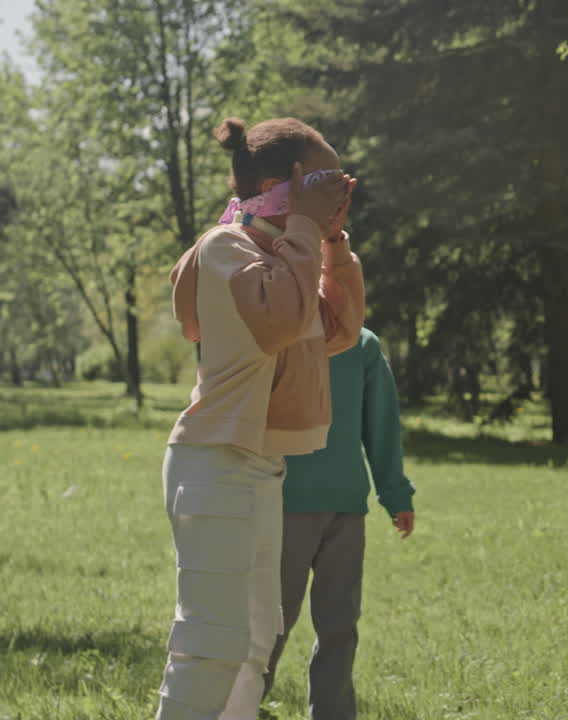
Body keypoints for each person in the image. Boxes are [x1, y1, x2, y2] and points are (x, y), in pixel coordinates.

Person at [158, 116, 366, 720]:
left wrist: (331, 241)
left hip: (257, 469)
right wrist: (304, 227)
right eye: (326, 180)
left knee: (252, 642)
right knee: (211, 643)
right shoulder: (227, 247)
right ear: (286, 184)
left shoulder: (283, 257)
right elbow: (278, 323)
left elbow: (339, 330)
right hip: (215, 462)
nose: (338, 190)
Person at [262, 327, 416, 718]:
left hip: (346, 511)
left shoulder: (363, 345)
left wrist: (395, 493)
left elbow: (381, 422)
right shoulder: (277, 333)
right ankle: (238, 706)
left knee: (340, 625)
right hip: (284, 505)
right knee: (270, 622)